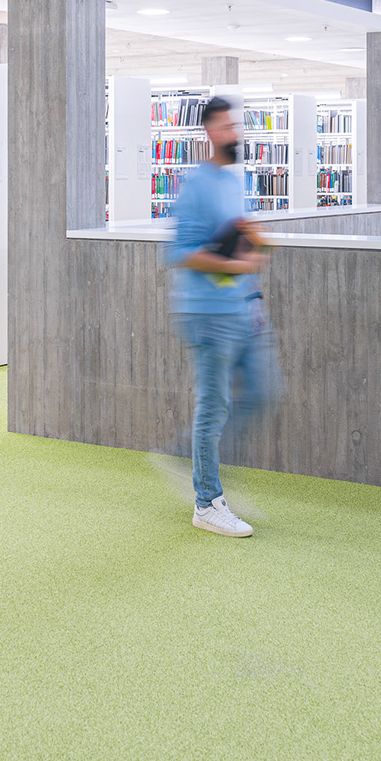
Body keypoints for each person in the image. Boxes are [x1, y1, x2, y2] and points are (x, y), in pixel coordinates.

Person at [163, 95, 281, 537]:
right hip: (206, 313)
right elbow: (180, 251)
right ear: (210, 131)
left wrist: (253, 293)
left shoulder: (235, 181)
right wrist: (236, 265)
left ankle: (189, 456)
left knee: (263, 391)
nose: (236, 134)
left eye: (237, 126)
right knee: (214, 407)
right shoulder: (195, 184)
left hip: (240, 307)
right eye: (228, 127)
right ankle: (206, 502)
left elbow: (236, 238)